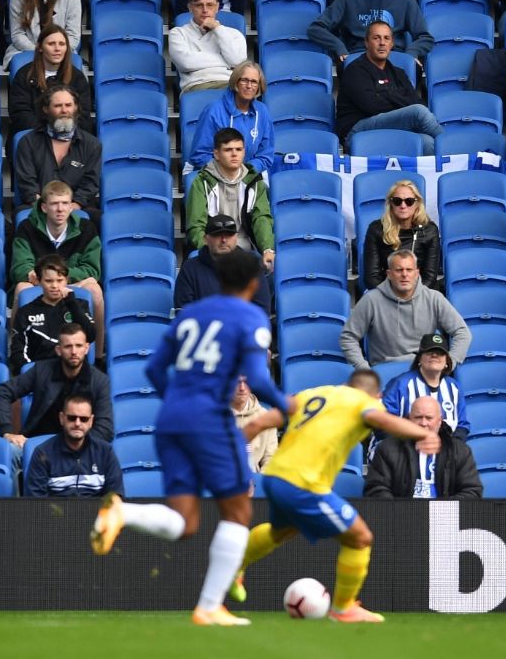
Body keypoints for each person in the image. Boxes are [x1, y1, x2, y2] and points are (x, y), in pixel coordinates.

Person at [103, 362, 434, 625]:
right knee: (360, 538)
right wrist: (421, 432)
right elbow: (377, 418)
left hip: (274, 478)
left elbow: (262, 421)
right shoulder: (362, 402)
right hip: (304, 483)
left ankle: (236, 566)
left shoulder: (312, 395)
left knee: (281, 531)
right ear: (374, 394)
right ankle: (344, 608)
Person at [0, 317, 113, 465]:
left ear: (87, 348)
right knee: (8, 453)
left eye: (78, 346)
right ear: (58, 350)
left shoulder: (100, 381)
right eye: (68, 346)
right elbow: (2, 392)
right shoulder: (41, 370)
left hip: (79, 448)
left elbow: (105, 429)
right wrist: (8, 432)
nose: (74, 351)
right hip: (36, 446)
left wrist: (74, 446)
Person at [341, 250, 470, 369]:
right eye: (399, 270)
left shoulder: (434, 298)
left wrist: (449, 363)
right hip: (384, 373)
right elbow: (348, 337)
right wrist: (364, 369)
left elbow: (462, 332)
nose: (404, 274)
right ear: (389, 274)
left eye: (409, 269)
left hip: (423, 372)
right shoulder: (371, 300)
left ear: (417, 273)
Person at [8, 181, 105, 318]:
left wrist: (58, 279)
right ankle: (17, 338)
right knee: (22, 288)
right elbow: (19, 268)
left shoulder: (87, 229)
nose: (60, 209)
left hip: (72, 284)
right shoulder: (27, 227)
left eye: (65, 203)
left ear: (71, 207)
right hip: (40, 284)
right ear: (44, 207)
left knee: (94, 289)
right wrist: (48, 279)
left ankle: (98, 340)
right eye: (54, 203)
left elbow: (92, 269)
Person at [332, 21, 440, 140]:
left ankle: (445, 152)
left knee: (427, 141)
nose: (382, 43)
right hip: (356, 130)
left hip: (389, 125)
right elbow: (372, 106)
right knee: (419, 113)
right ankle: (449, 150)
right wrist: (400, 99)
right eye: (376, 38)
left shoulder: (399, 73)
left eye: (386, 38)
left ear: (392, 44)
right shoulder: (354, 70)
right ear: (366, 42)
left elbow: (417, 102)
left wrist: (386, 96)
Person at [365, 394, 480, 499]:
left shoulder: (459, 450)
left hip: (445, 518)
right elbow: (376, 489)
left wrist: (441, 512)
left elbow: (472, 491)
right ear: (409, 418)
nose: (423, 423)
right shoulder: (387, 449)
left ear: (440, 421)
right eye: (418, 417)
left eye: (429, 418)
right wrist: (402, 513)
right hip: (400, 518)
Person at [184, 129, 273, 262]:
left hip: (245, 248)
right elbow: (195, 225)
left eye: (239, 149)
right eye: (228, 150)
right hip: (214, 247)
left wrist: (267, 249)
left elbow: (261, 218)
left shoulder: (254, 181)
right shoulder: (202, 182)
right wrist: (211, 248)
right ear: (216, 154)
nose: (234, 154)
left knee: (270, 269)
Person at [13, 86, 101, 211]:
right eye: (58, 106)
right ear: (46, 109)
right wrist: (46, 207)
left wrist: (70, 207)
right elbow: (27, 183)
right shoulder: (28, 142)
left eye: (68, 105)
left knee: (96, 220)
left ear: (76, 107)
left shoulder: (92, 145)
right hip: (38, 206)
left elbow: (90, 184)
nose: (64, 110)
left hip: (76, 207)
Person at [11, 256, 98, 375]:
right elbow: (18, 353)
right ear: (39, 281)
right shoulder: (26, 312)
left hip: (74, 373)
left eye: (59, 280)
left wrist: (71, 303)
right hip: (40, 375)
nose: (55, 286)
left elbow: (91, 335)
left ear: (66, 280)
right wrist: (34, 375)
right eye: (49, 281)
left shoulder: (79, 306)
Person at [26, 394, 122, 499]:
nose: (77, 423)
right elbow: (35, 502)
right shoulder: (42, 453)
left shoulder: (105, 452)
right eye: (71, 418)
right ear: (62, 418)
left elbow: (114, 498)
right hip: (55, 514)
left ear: (91, 421)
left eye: (84, 419)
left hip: (96, 514)